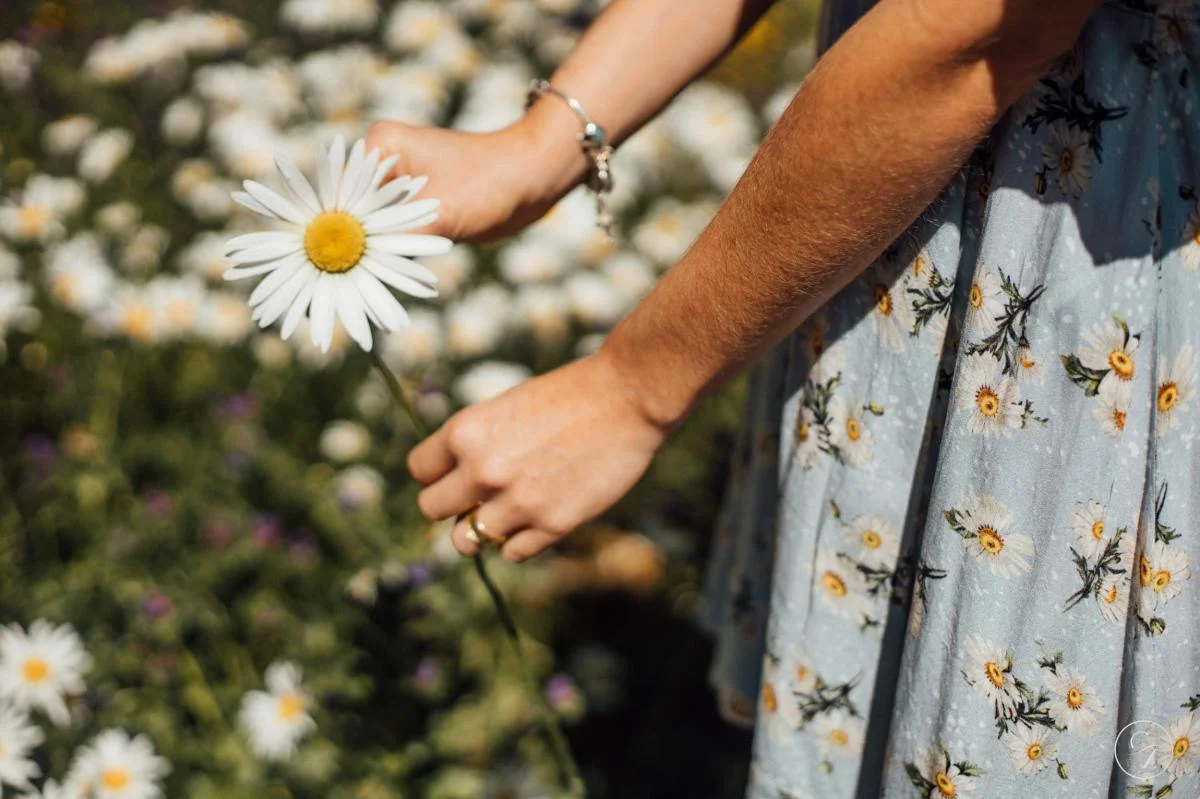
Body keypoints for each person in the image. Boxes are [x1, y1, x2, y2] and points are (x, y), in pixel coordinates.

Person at [366, 0, 1200, 795]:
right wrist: (546, 139)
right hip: (870, 218)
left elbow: (977, 28)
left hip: (1085, 314)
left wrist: (631, 387)